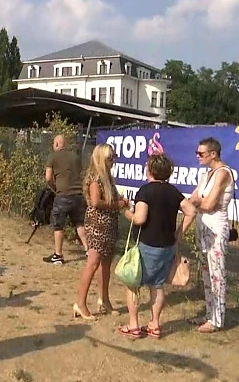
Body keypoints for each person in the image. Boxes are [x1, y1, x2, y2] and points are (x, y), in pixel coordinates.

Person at [117, 154, 196, 338]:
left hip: (148, 245)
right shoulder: (173, 191)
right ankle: (155, 324)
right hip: (167, 245)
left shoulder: (145, 191)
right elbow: (191, 210)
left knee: (133, 284)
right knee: (157, 286)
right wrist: (178, 234)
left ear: (150, 169)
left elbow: (140, 219)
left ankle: (134, 325)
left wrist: (127, 213)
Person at [73, 144, 125, 320]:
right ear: (102, 159)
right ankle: (80, 303)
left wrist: (120, 201)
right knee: (93, 263)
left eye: (114, 157)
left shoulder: (107, 177)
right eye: (110, 158)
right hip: (97, 224)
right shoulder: (96, 177)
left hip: (109, 224)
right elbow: (96, 202)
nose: (113, 161)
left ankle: (104, 300)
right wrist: (118, 205)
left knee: (106, 263)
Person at [189, 137, 234, 333]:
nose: (197, 156)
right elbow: (194, 198)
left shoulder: (223, 173)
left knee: (217, 274)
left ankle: (217, 319)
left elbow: (208, 204)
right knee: (206, 273)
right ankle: (209, 314)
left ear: (213, 154)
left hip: (216, 229)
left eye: (201, 153)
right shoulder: (206, 175)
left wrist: (199, 202)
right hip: (203, 227)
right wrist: (199, 202)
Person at [43, 134, 88, 264]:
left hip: (63, 195)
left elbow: (48, 177)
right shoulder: (75, 157)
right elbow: (81, 173)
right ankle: (88, 250)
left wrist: (54, 187)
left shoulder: (53, 156)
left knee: (58, 225)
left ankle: (58, 255)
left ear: (56, 144)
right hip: (78, 195)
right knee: (79, 223)